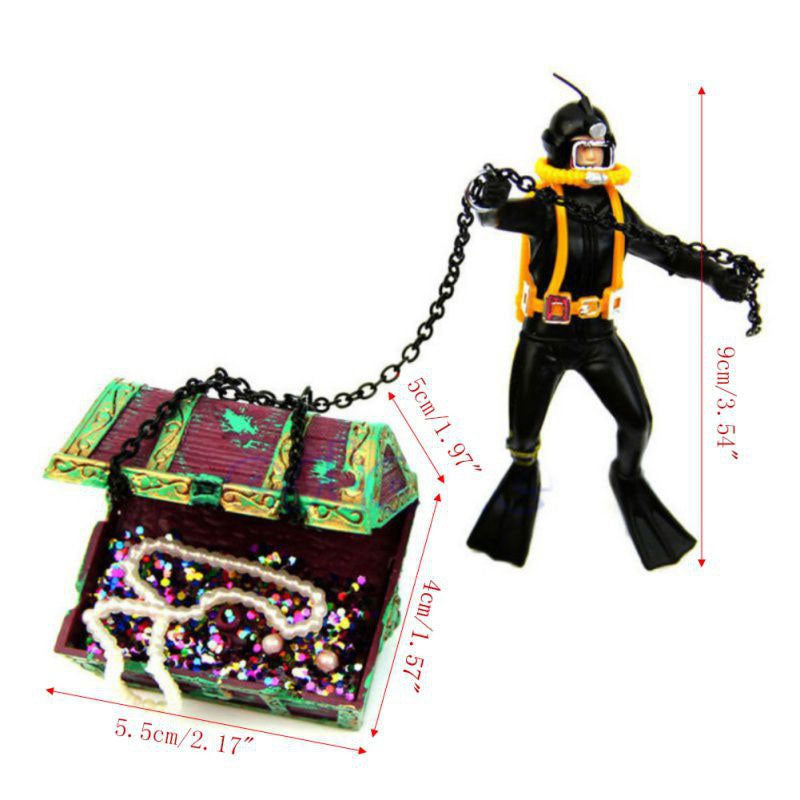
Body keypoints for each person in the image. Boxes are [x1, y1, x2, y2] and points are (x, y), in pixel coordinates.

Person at [467, 75, 748, 570]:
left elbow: (665, 251)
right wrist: (487, 200)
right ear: (561, 153)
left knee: (638, 422)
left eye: (600, 153)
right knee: (522, 440)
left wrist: (715, 275)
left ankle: (627, 477)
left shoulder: (616, 210)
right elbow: (493, 218)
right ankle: (521, 481)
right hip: (543, 337)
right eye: (584, 153)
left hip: (598, 337)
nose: (593, 162)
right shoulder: (544, 209)